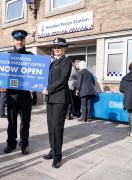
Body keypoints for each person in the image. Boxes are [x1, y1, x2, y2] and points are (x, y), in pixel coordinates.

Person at [4, 30, 36, 155]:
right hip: (12, 95)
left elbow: (37, 75)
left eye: (21, 39)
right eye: (17, 39)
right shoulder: (7, 56)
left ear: (24, 41)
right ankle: (11, 143)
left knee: (25, 123)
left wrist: (34, 85)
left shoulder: (31, 56)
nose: (19, 42)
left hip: (25, 95)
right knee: (11, 122)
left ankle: (24, 144)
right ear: (14, 40)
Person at [42, 37, 72, 168]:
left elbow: (63, 80)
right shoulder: (51, 62)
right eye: (55, 47)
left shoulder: (66, 61)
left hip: (60, 99)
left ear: (64, 48)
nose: (57, 49)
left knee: (57, 128)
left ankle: (58, 156)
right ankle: (52, 151)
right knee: (50, 127)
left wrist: (49, 89)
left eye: (60, 47)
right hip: (50, 99)